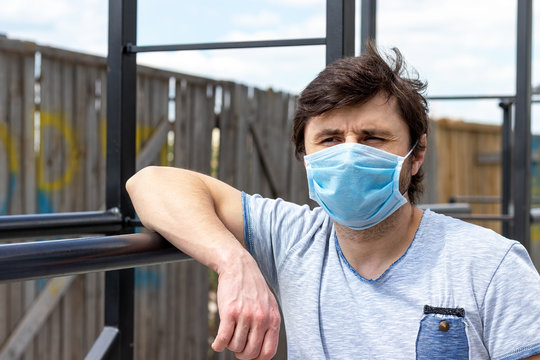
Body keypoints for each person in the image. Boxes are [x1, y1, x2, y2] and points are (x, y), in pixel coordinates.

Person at [126, 43, 540, 360]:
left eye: (372, 138)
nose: (349, 154)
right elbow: (151, 182)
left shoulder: (491, 264)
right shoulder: (292, 237)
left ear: (416, 155)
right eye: (329, 140)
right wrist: (233, 261)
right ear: (306, 158)